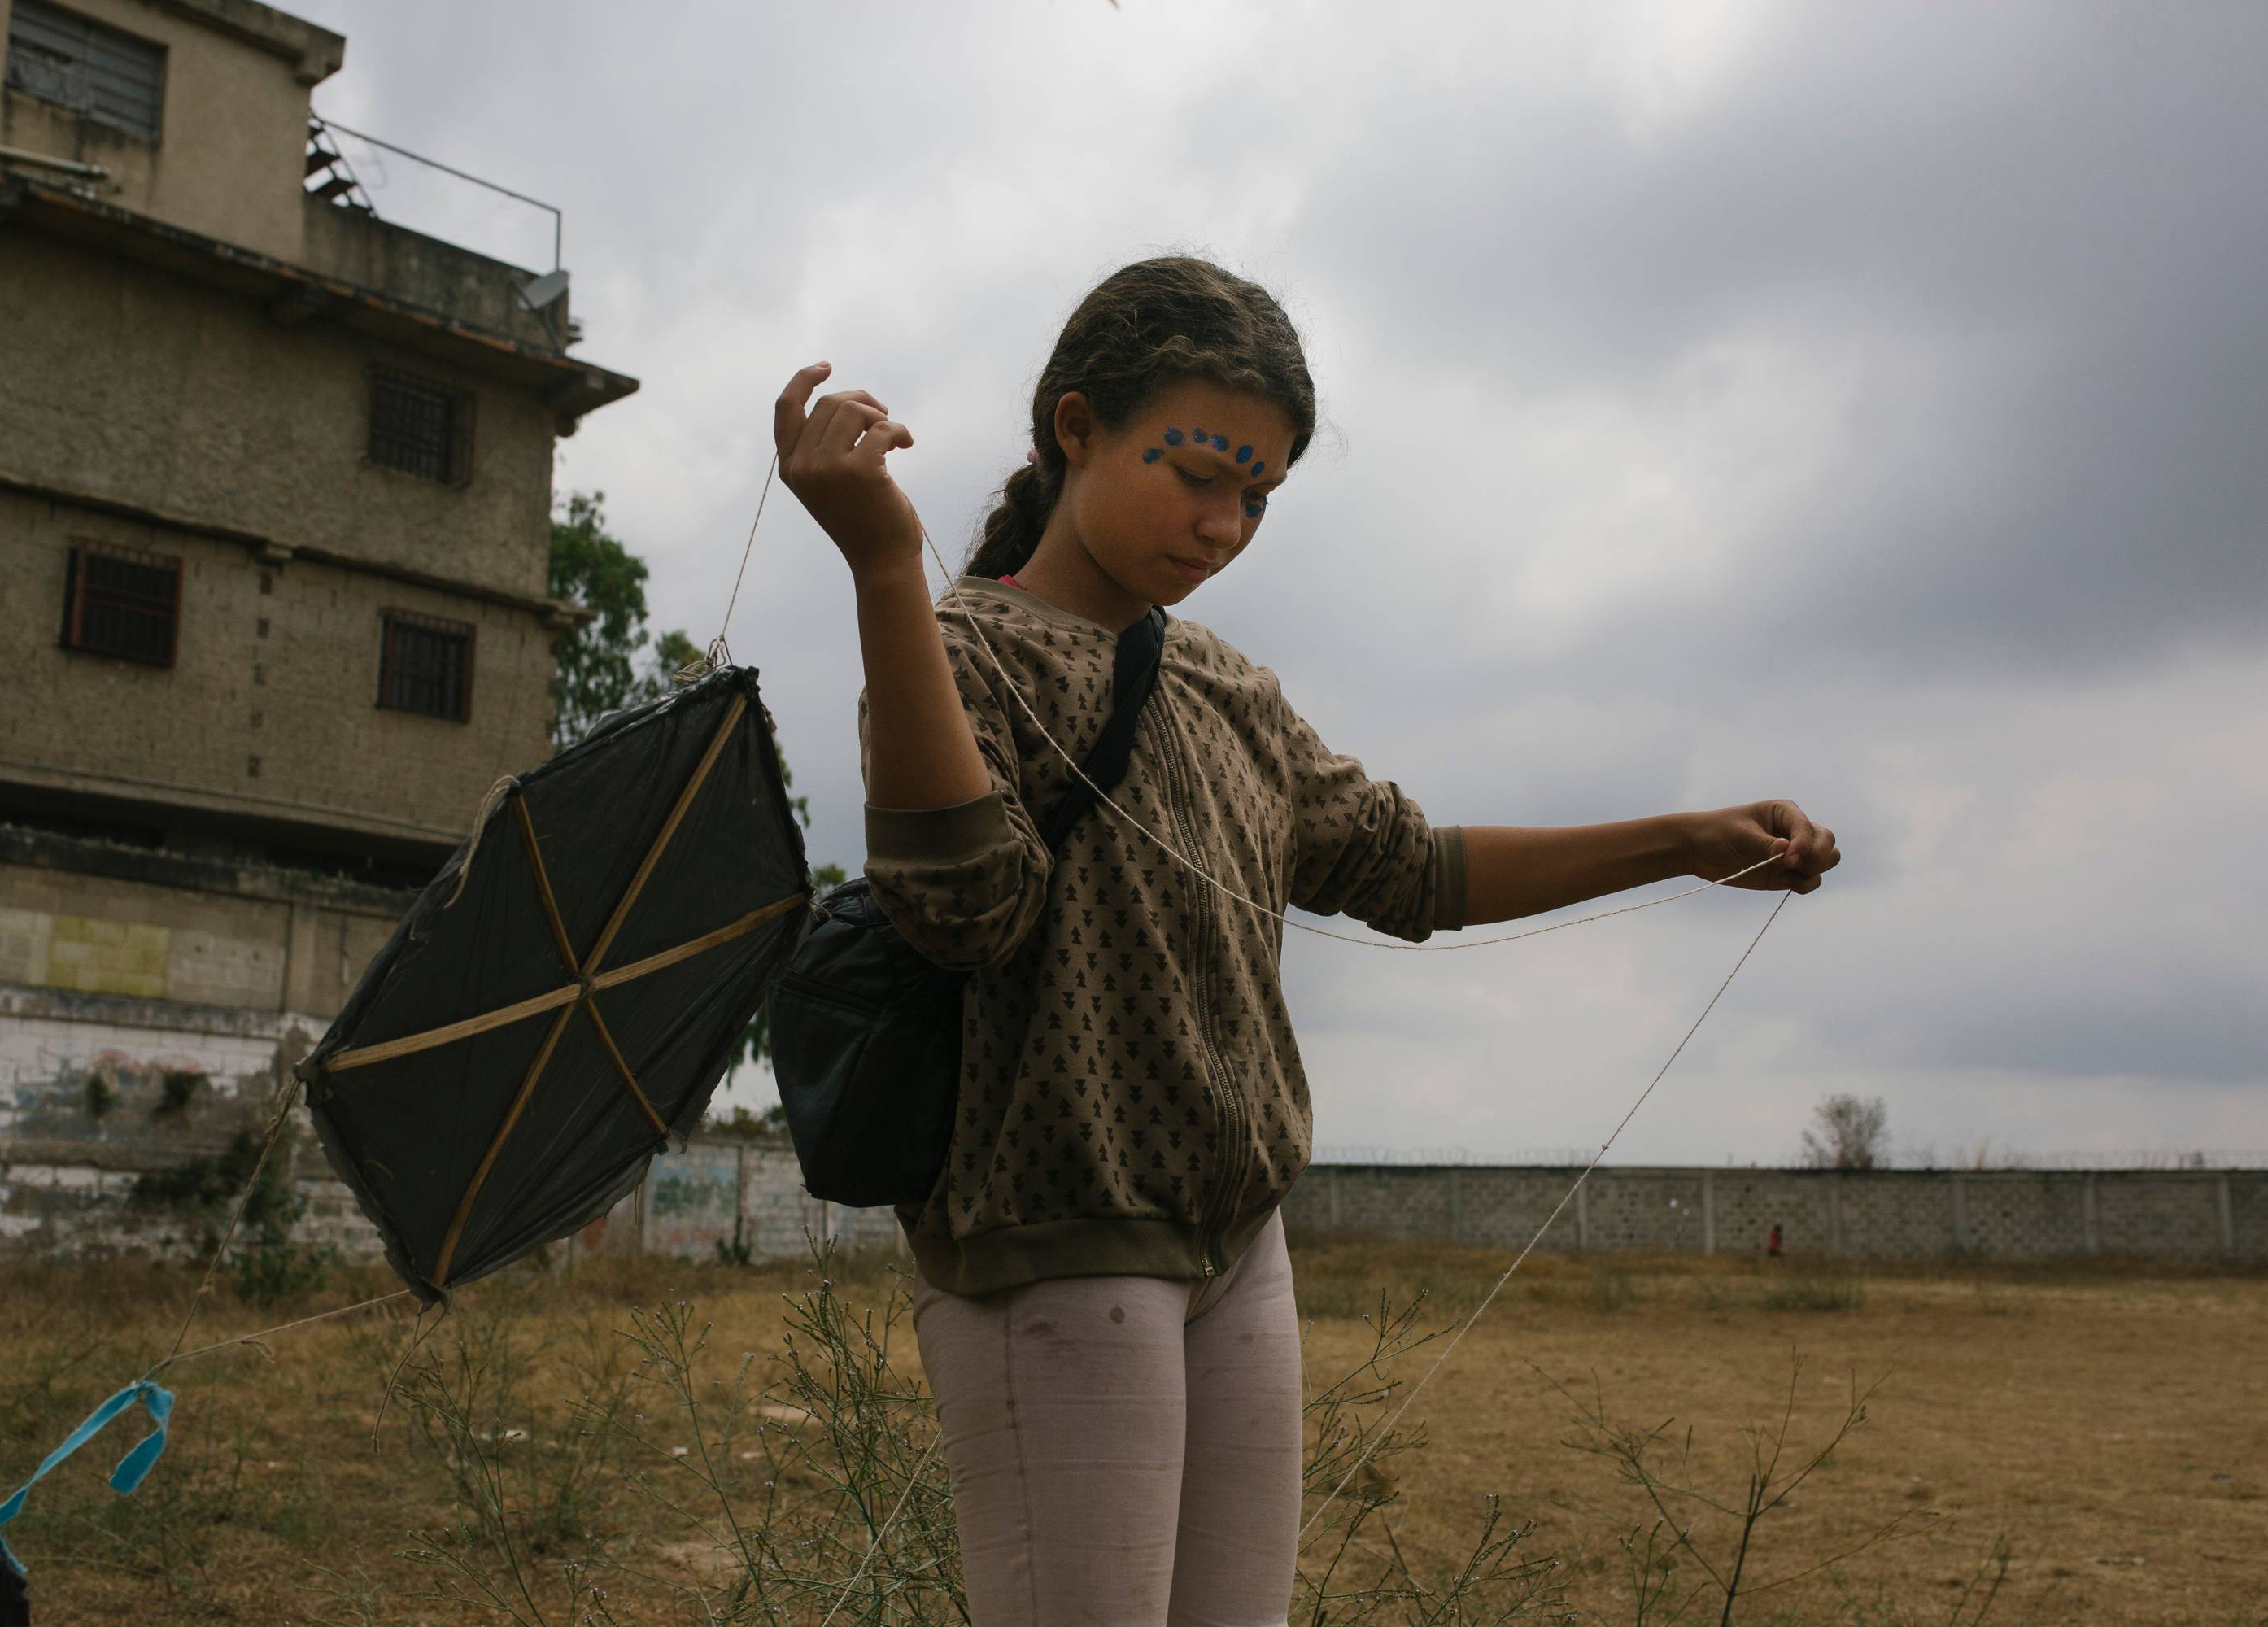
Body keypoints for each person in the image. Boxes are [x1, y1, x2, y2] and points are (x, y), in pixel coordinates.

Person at [772, 256, 1840, 1627]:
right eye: (1200, 471)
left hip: (1239, 1243)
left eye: (1259, 494)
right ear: (1075, 428)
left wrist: (1684, 841)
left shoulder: (1230, 692)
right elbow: (962, 908)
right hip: (1064, 1240)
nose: (1225, 522)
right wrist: (882, 569)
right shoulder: (970, 651)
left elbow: (1413, 867)